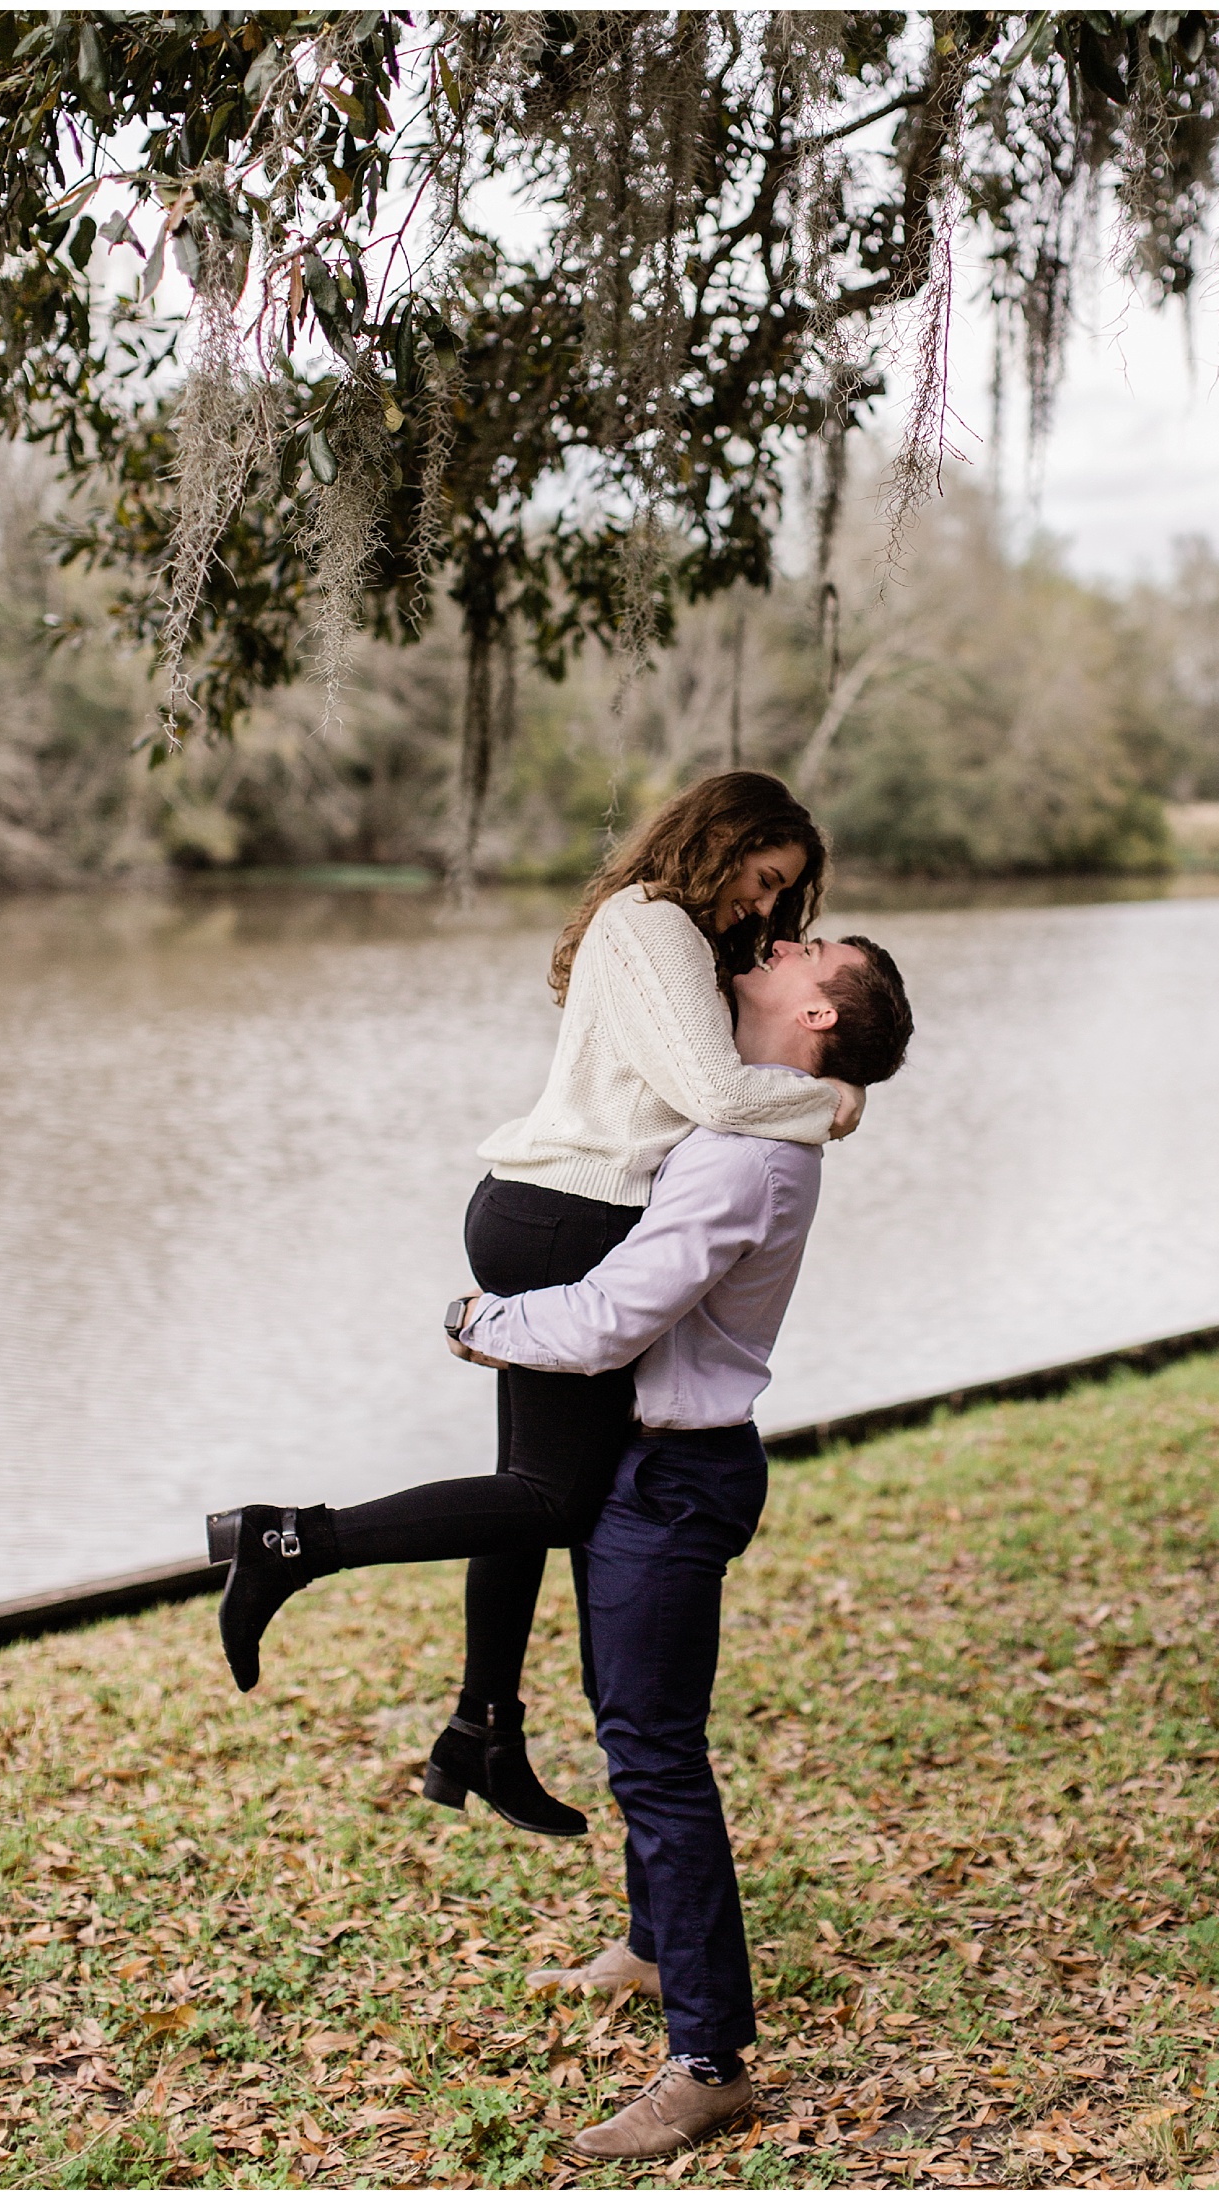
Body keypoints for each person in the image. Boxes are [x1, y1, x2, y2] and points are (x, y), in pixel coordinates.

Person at [206, 773, 865, 1835]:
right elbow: (718, 1098)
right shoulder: (648, 924)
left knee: (528, 1490)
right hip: (568, 1216)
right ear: (723, 838)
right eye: (762, 877)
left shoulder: (677, 933)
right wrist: (834, 1099)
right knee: (555, 1500)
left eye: (779, 892)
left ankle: (482, 1728)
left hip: (560, 1212)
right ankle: (289, 1542)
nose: (761, 904)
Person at [445, 932, 914, 2162]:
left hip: (675, 1476)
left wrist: (479, 1319)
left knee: (658, 1756)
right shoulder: (752, 1117)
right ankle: (656, 1948)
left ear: (815, 1008)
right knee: (628, 1721)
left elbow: (611, 1318)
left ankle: (708, 2062)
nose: (782, 935)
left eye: (811, 943)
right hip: (650, 1466)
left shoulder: (753, 1159)